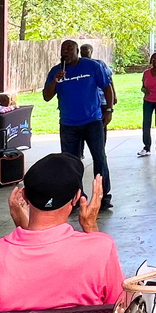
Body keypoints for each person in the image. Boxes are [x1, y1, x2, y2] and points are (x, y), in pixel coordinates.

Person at [0, 154, 124, 312]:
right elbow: (119, 308)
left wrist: (23, 228)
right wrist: (91, 228)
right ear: (76, 197)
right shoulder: (100, 248)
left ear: (25, 196)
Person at [43, 40, 113, 210]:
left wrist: (109, 109)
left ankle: (102, 196)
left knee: (100, 158)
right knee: (70, 164)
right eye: (63, 49)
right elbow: (46, 96)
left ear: (77, 51)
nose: (66, 51)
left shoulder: (92, 67)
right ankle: (75, 197)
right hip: (68, 124)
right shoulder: (55, 71)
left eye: (69, 48)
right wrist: (55, 81)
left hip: (93, 121)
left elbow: (107, 87)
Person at [80, 44, 117, 132]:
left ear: (91, 52)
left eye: (86, 51)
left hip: (102, 99)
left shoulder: (99, 64)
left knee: (102, 125)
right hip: (88, 102)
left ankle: (101, 144)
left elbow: (109, 80)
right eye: (82, 51)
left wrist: (114, 95)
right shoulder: (78, 66)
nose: (84, 53)